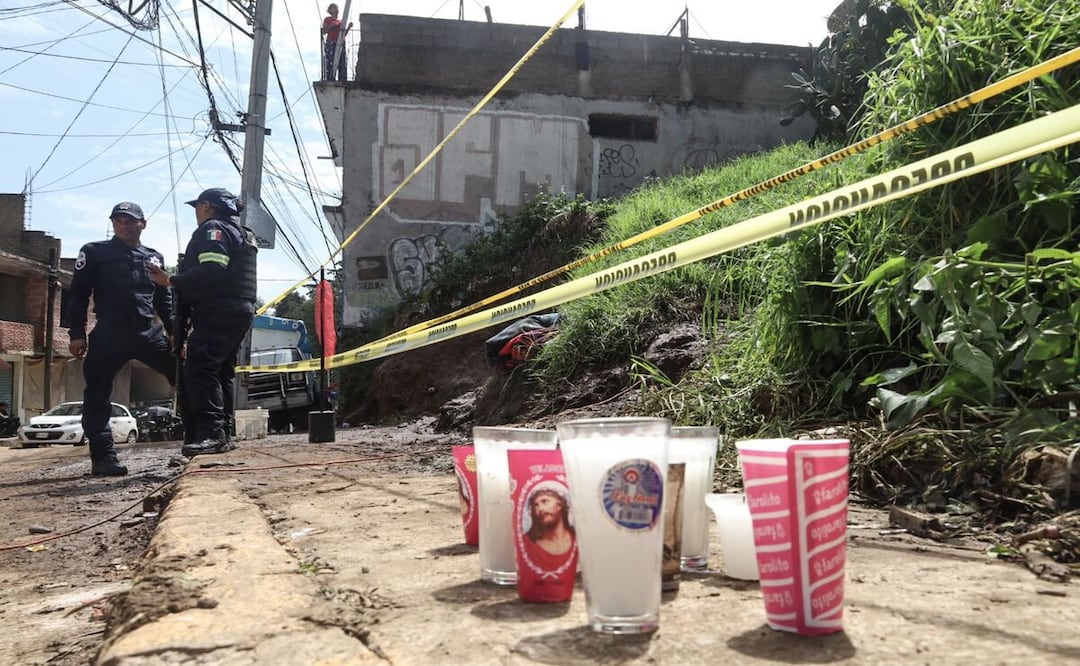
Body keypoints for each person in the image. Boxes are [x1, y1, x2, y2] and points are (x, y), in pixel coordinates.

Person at [68, 202, 175, 476]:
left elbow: (164, 299)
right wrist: (77, 334)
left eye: (131, 220)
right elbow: (78, 293)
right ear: (113, 224)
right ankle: (103, 458)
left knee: (185, 374)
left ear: (143, 223)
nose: (125, 225)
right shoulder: (94, 252)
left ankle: (200, 439)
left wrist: (176, 333)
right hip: (110, 332)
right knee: (97, 395)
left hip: (147, 331)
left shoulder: (154, 257)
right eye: (119, 220)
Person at [148, 188, 257, 458]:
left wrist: (170, 280)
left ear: (207, 206)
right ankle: (225, 433)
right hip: (238, 308)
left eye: (197, 207)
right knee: (221, 371)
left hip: (219, 308)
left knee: (200, 367)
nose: (196, 213)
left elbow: (212, 270)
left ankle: (211, 434)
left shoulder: (213, 228)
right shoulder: (241, 231)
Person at [521, 486, 577, 571]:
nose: (540, 508)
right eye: (536, 505)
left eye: (545, 501)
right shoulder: (526, 542)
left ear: (559, 505)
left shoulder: (577, 538)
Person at [321, 3, 352, 81]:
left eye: (336, 7)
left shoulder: (341, 21)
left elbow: (344, 34)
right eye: (333, 7)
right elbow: (324, 31)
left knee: (342, 61)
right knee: (331, 60)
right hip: (331, 41)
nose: (335, 9)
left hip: (341, 42)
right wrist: (331, 26)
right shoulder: (327, 19)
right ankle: (330, 78)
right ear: (330, 10)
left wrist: (348, 27)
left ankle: (342, 78)